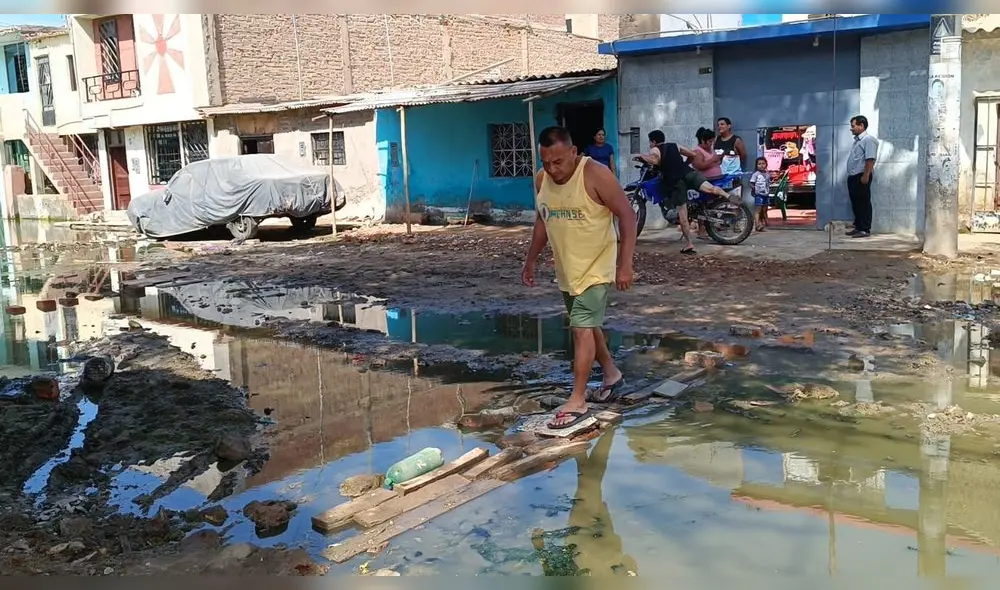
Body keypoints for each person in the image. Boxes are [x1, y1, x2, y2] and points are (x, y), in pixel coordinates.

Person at [522, 126, 636, 429]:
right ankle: (612, 375)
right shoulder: (541, 180)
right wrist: (530, 260)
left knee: (581, 329)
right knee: (588, 326)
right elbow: (542, 222)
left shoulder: (595, 174)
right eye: (546, 162)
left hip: (597, 267)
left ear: (573, 152)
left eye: (558, 161)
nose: (552, 168)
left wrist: (625, 264)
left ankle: (578, 399)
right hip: (568, 270)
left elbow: (627, 215)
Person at [638, 130, 731, 255]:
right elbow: (692, 155)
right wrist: (684, 164)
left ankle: (689, 244)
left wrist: (642, 156)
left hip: (676, 182)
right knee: (710, 188)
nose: (650, 144)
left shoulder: (654, 150)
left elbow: (654, 161)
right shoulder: (675, 145)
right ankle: (728, 195)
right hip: (688, 173)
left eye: (650, 141)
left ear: (653, 141)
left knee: (683, 215)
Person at [846, 115, 878, 238]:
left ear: (861, 125)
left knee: (863, 202)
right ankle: (858, 227)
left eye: (853, 126)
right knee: (856, 203)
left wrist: (866, 175)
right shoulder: (857, 141)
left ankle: (865, 229)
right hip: (853, 177)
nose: (851, 129)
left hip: (861, 176)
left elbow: (870, 159)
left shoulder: (868, 140)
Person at [749, 157, 771, 232]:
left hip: (766, 194)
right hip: (759, 195)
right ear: (756, 165)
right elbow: (751, 183)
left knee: (765, 209)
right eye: (759, 164)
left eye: (763, 163)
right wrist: (754, 189)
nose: (761, 165)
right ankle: (757, 224)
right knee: (758, 210)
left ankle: (766, 222)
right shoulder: (755, 174)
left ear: (766, 164)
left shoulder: (767, 174)